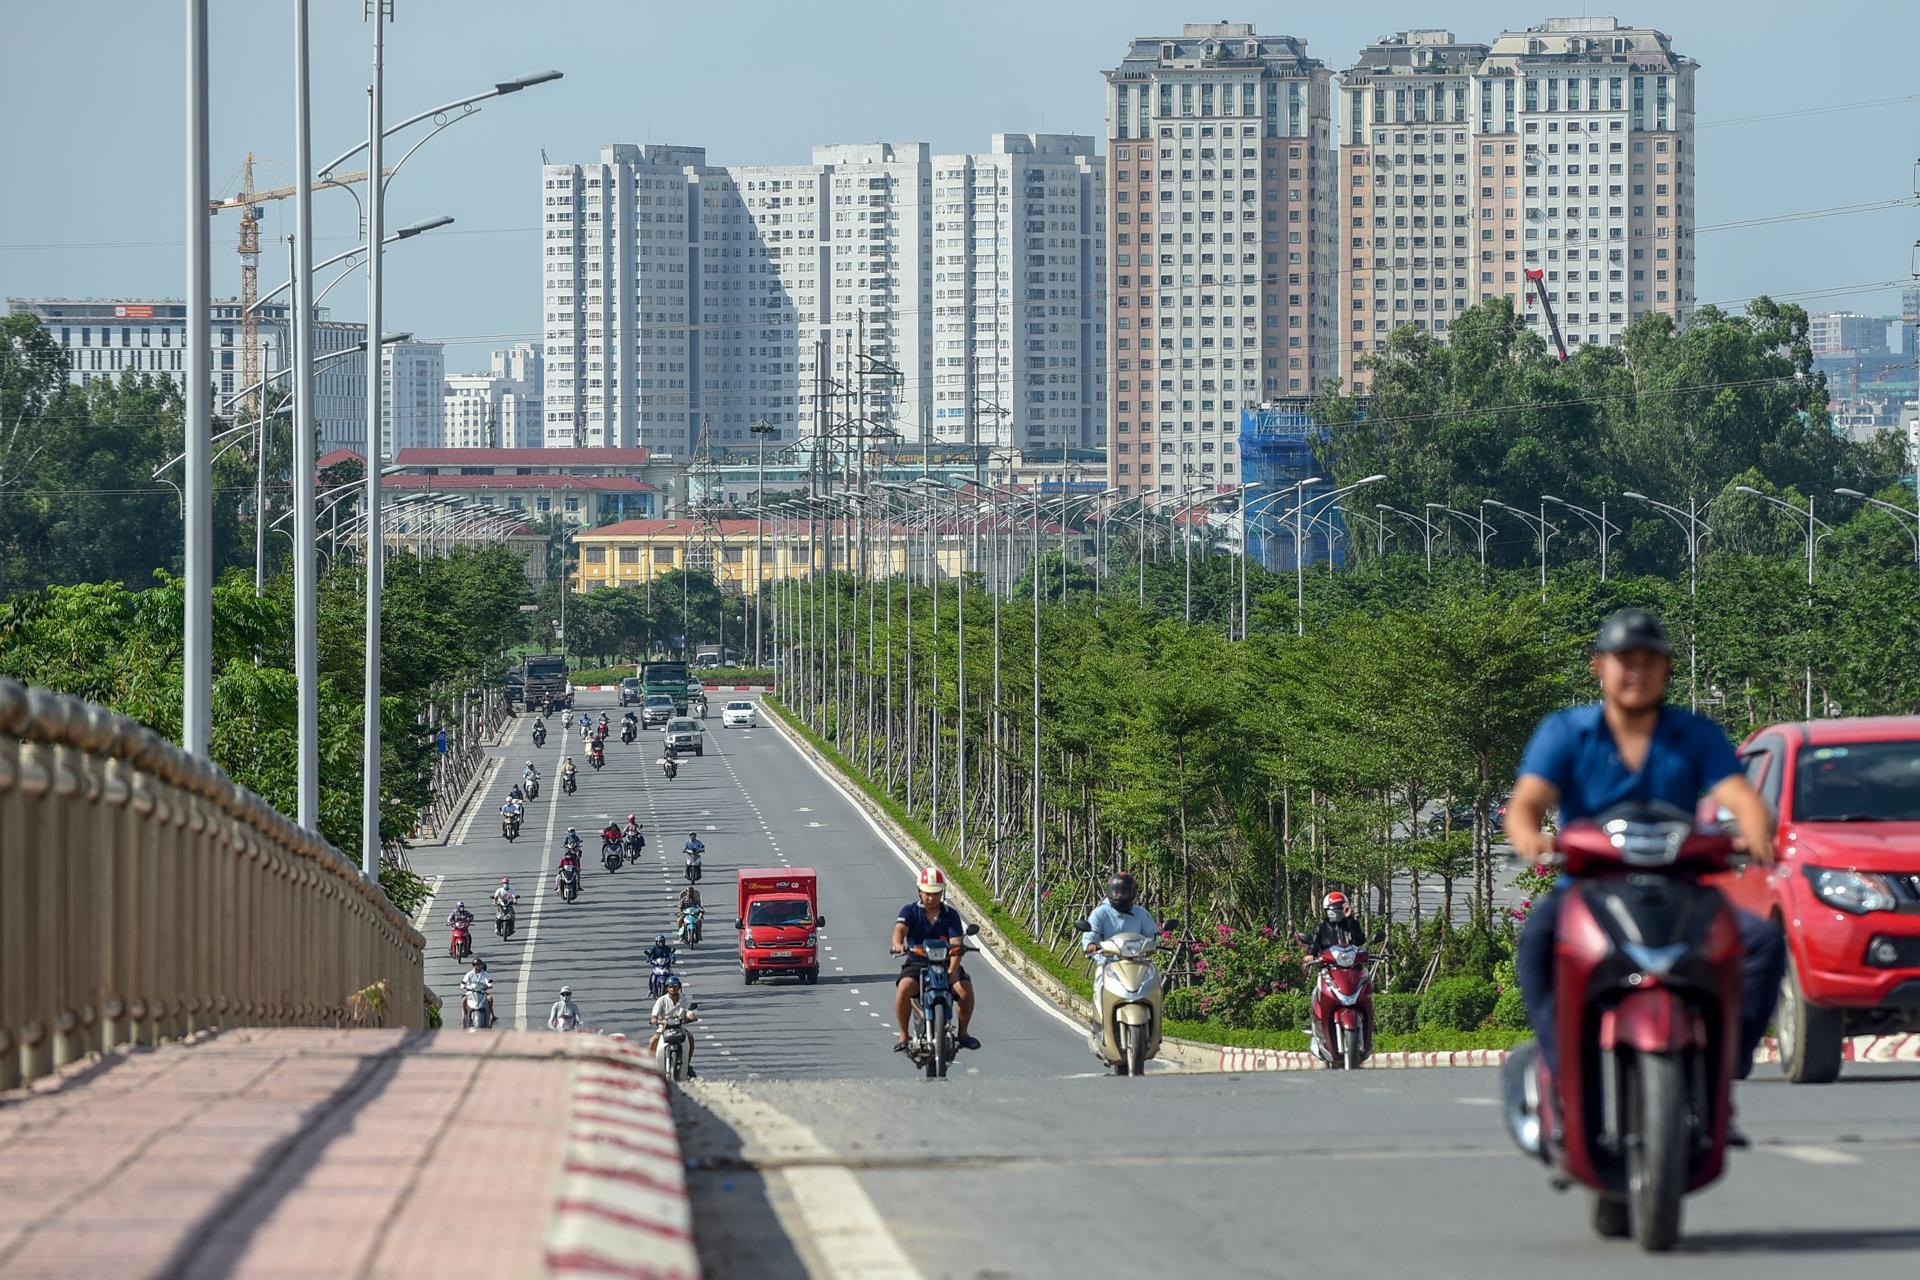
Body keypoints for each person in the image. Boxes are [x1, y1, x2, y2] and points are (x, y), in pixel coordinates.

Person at [1504, 609, 1784, 1117]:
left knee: (1762, 941)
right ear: (1599, 666)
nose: (1637, 672)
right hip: (1588, 890)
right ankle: (1561, 1069)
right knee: (1537, 943)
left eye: (1649, 661)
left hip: (1683, 892)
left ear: (1666, 669)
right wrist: (1530, 837)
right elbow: (1527, 803)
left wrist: (1756, 830)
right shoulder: (1565, 732)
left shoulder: (1694, 734)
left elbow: (1741, 797)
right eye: (1624, 660)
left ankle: (1726, 1063)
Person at [890, 867, 979, 1052]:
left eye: (935, 893)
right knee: (903, 988)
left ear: (941, 893)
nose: (931, 898)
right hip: (918, 963)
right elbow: (900, 930)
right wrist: (898, 944)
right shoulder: (910, 911)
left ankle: (963, 1034)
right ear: (920, 892)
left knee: (965, 991)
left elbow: (956, 942)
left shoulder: (950, 914)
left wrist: (952, 969)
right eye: (927, 893)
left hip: (945, 963)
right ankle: (903, 1035)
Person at [1081, 872, 1158, 1034]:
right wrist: (1091, 945)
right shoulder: (1101, 913)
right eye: (1117, 892)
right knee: (1100, 986)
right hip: (1108, 964)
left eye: (1125, 892)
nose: (1120, 896)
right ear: (1110, 892)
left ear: (1133, 894)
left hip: (1137, 964)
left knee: (1154, 985)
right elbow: (1090, 934)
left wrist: (1154, 944)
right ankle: (1099, 1023)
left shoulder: (1141, 914)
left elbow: (1152, 935)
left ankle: (1155, 1026)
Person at [648, 976, 697, 1076]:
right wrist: (657, 1021)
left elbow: (689, 1012)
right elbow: (654, 1017)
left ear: (679, 987)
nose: (673, 988)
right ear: (667, 988)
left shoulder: (684, 999)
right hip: (663, 1028)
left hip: (680, 1028)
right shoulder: (661, 1000)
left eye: (675, 986)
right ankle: (649, 1065)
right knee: (653, 1041)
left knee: (691, 1040)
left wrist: (691, 1017)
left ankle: (687, 1065)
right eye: (670, 986)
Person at [1301, 891, 1366, 954]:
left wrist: (1350, 918)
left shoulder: (1351, 925)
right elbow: (1314, 945)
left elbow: (1359, 941)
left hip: (1350, 959)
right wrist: (1311, 954)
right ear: (1327, 910)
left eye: (1340, 909)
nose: (1337, 912)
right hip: (1328, 960)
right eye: (1334, 909)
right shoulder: (1321, 928)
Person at [460, 957, 493, 1027]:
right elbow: (463, 983)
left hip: (482, 992)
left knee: (490, 998)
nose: (478, 966)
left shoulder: (485, 974)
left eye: (480, 965)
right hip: (471, 992)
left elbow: (489, 982)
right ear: (473, 966)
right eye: (477, 965)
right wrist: (464, 986)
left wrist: (489, 985)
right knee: (464, 1000)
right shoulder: (469, 974)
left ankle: (489, 1013)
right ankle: (464, 1016)